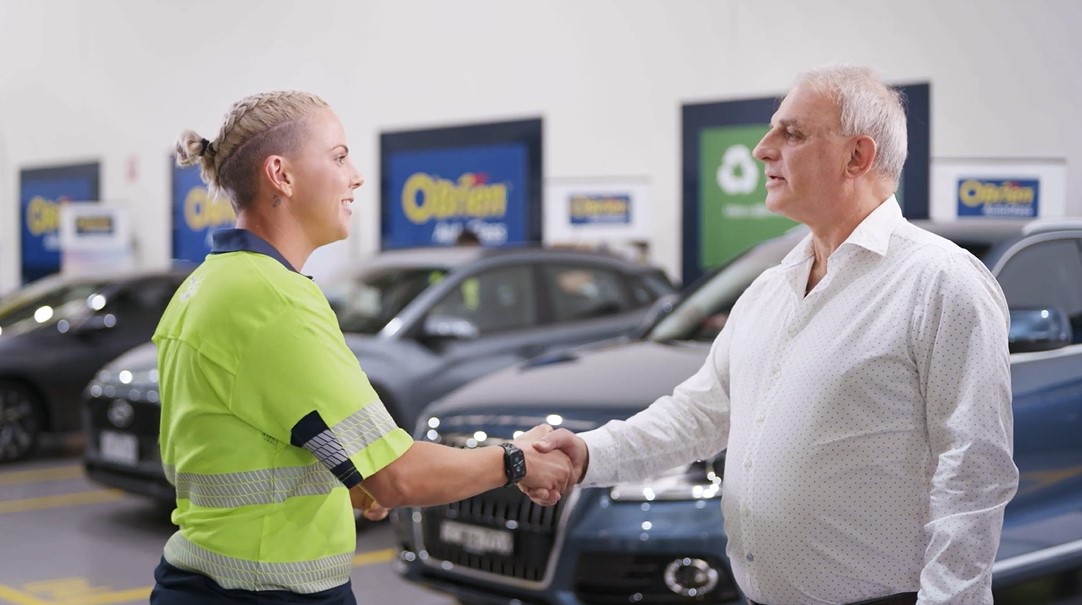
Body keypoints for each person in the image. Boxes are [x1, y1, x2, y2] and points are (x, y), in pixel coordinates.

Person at [525, 65, 1018, 605]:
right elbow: (698, 416)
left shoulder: (940, 282)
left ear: (858, 156)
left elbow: (974, 472)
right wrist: (586, 453)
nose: (762, 149)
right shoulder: (769, 289)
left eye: (793, 133)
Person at [150, 90, 573, 604]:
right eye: (339, 156)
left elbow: (238, 445)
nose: (356, 176)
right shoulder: (273, 302)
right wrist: (516, 460)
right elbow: (397, 477)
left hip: (208, 582)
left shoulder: (208, 285)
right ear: (281, 175)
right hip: (264, 592)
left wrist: (351, 480)